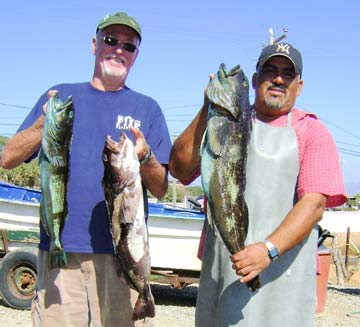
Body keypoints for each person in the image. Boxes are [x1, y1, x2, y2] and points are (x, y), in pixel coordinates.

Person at [1, 11, 171, 327]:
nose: (119, 49)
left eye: (128, 46)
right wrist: (44, 124)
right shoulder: (61, 96)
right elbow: (7, 158)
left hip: (122, 256)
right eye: (111, 40)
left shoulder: (147, 108)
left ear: (135, 56)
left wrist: (145, 157)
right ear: (95, 45)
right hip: (61, 253)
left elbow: (161, 187)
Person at [169, 42, 347, 327]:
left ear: (298, 86)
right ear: (254, 80)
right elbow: (179, 169)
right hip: (224, 272)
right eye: (270, 70)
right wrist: (209, 109)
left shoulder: (312, 131)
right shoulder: (223, 120)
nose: (278, 78)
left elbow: (314, 204)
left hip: (282, 275)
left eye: (288, 74)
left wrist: (267, 250)